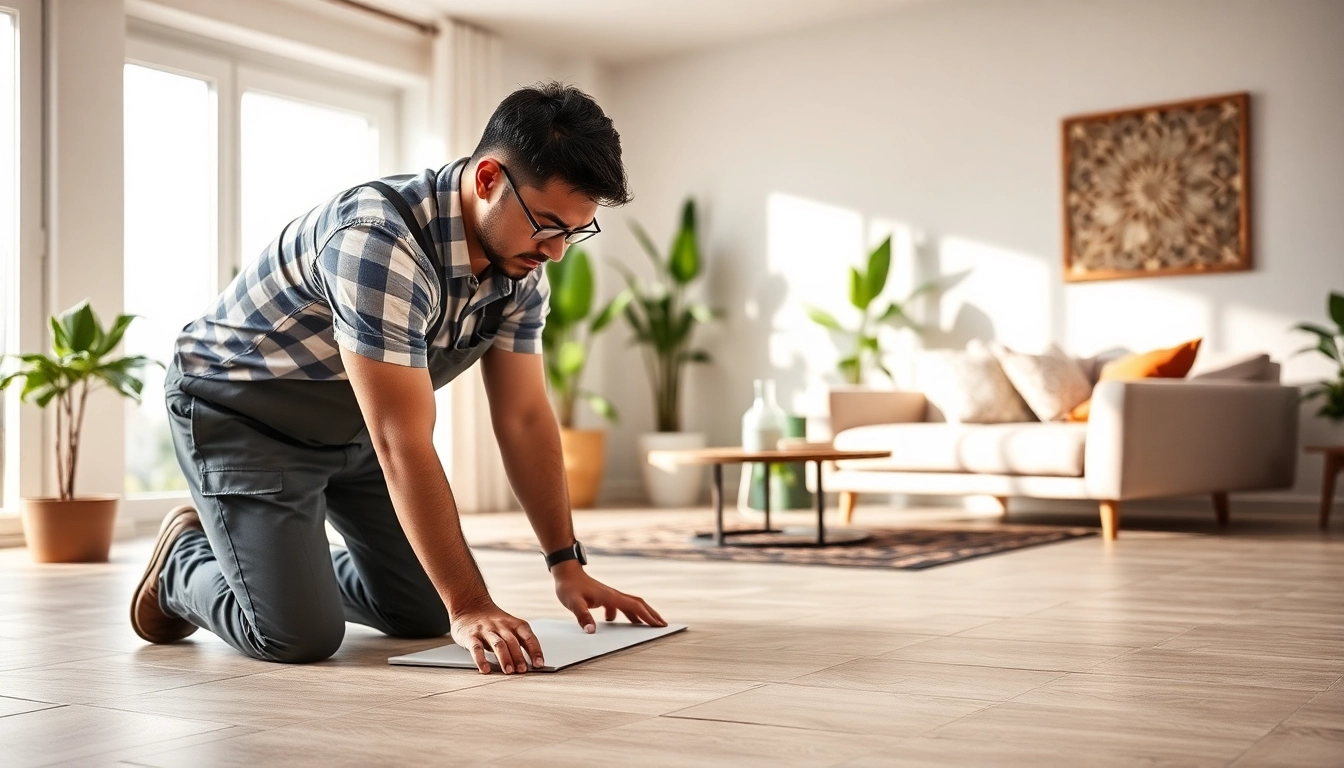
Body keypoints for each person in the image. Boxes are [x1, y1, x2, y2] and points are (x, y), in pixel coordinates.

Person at [129, 82, 664, 674]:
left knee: (421, 611)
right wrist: (471, 604)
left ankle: (283, 569)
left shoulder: (520, 268)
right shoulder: (378, 241)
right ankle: (183, 560)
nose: (557, 252)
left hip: (353, 427)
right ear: (488, 179)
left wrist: (566, 564)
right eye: (547, 226)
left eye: (574, 232)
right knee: (299, 636)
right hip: (243, 415)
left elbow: (525, 418)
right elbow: (400, 438)